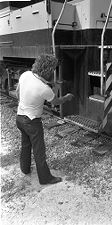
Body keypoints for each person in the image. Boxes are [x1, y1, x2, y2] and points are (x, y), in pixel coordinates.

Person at [16, 54, 73, 185]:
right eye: (52, 70)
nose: (53, 72)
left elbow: (18, 92)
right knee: (39, 151)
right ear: (48, 70)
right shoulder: (44, 89)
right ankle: (45, 178)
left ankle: (25, 169)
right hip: (32, 122)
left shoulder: (26, 75)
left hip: (19, 117)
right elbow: (56, 102)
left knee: (25, 145)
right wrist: (67, 97)